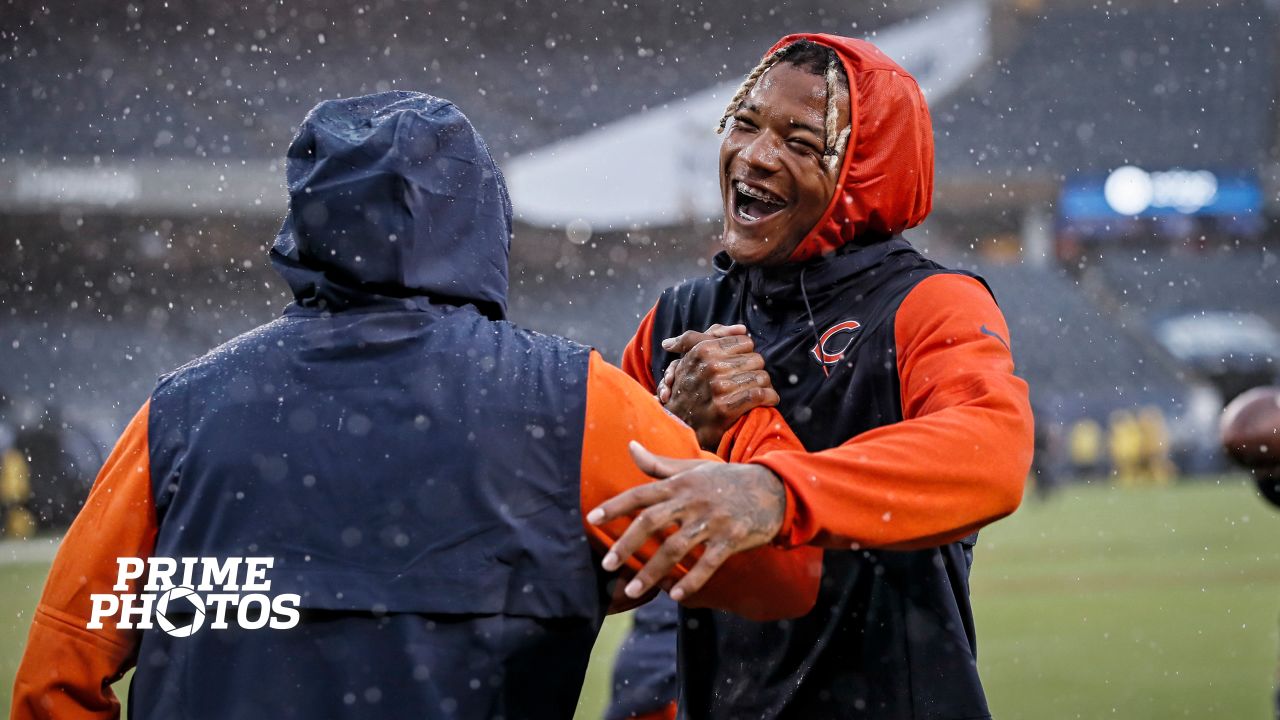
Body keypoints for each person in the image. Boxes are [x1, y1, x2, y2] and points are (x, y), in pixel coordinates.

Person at [10, 92, 823, 720]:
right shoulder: (578, 401)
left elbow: (57, 676)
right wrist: (749, 418)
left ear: (307, 222)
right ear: (481, 218)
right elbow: (782, 578)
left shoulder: (180, 410)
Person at [597, 35, 1034, 719]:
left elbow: (992, 455)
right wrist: (682, 429)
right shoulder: (681, 317)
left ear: (868, 170)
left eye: (801, 142)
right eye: (745, 123)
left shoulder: (927, 303)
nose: (755, 156)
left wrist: (775, 493)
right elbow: (604, 552)